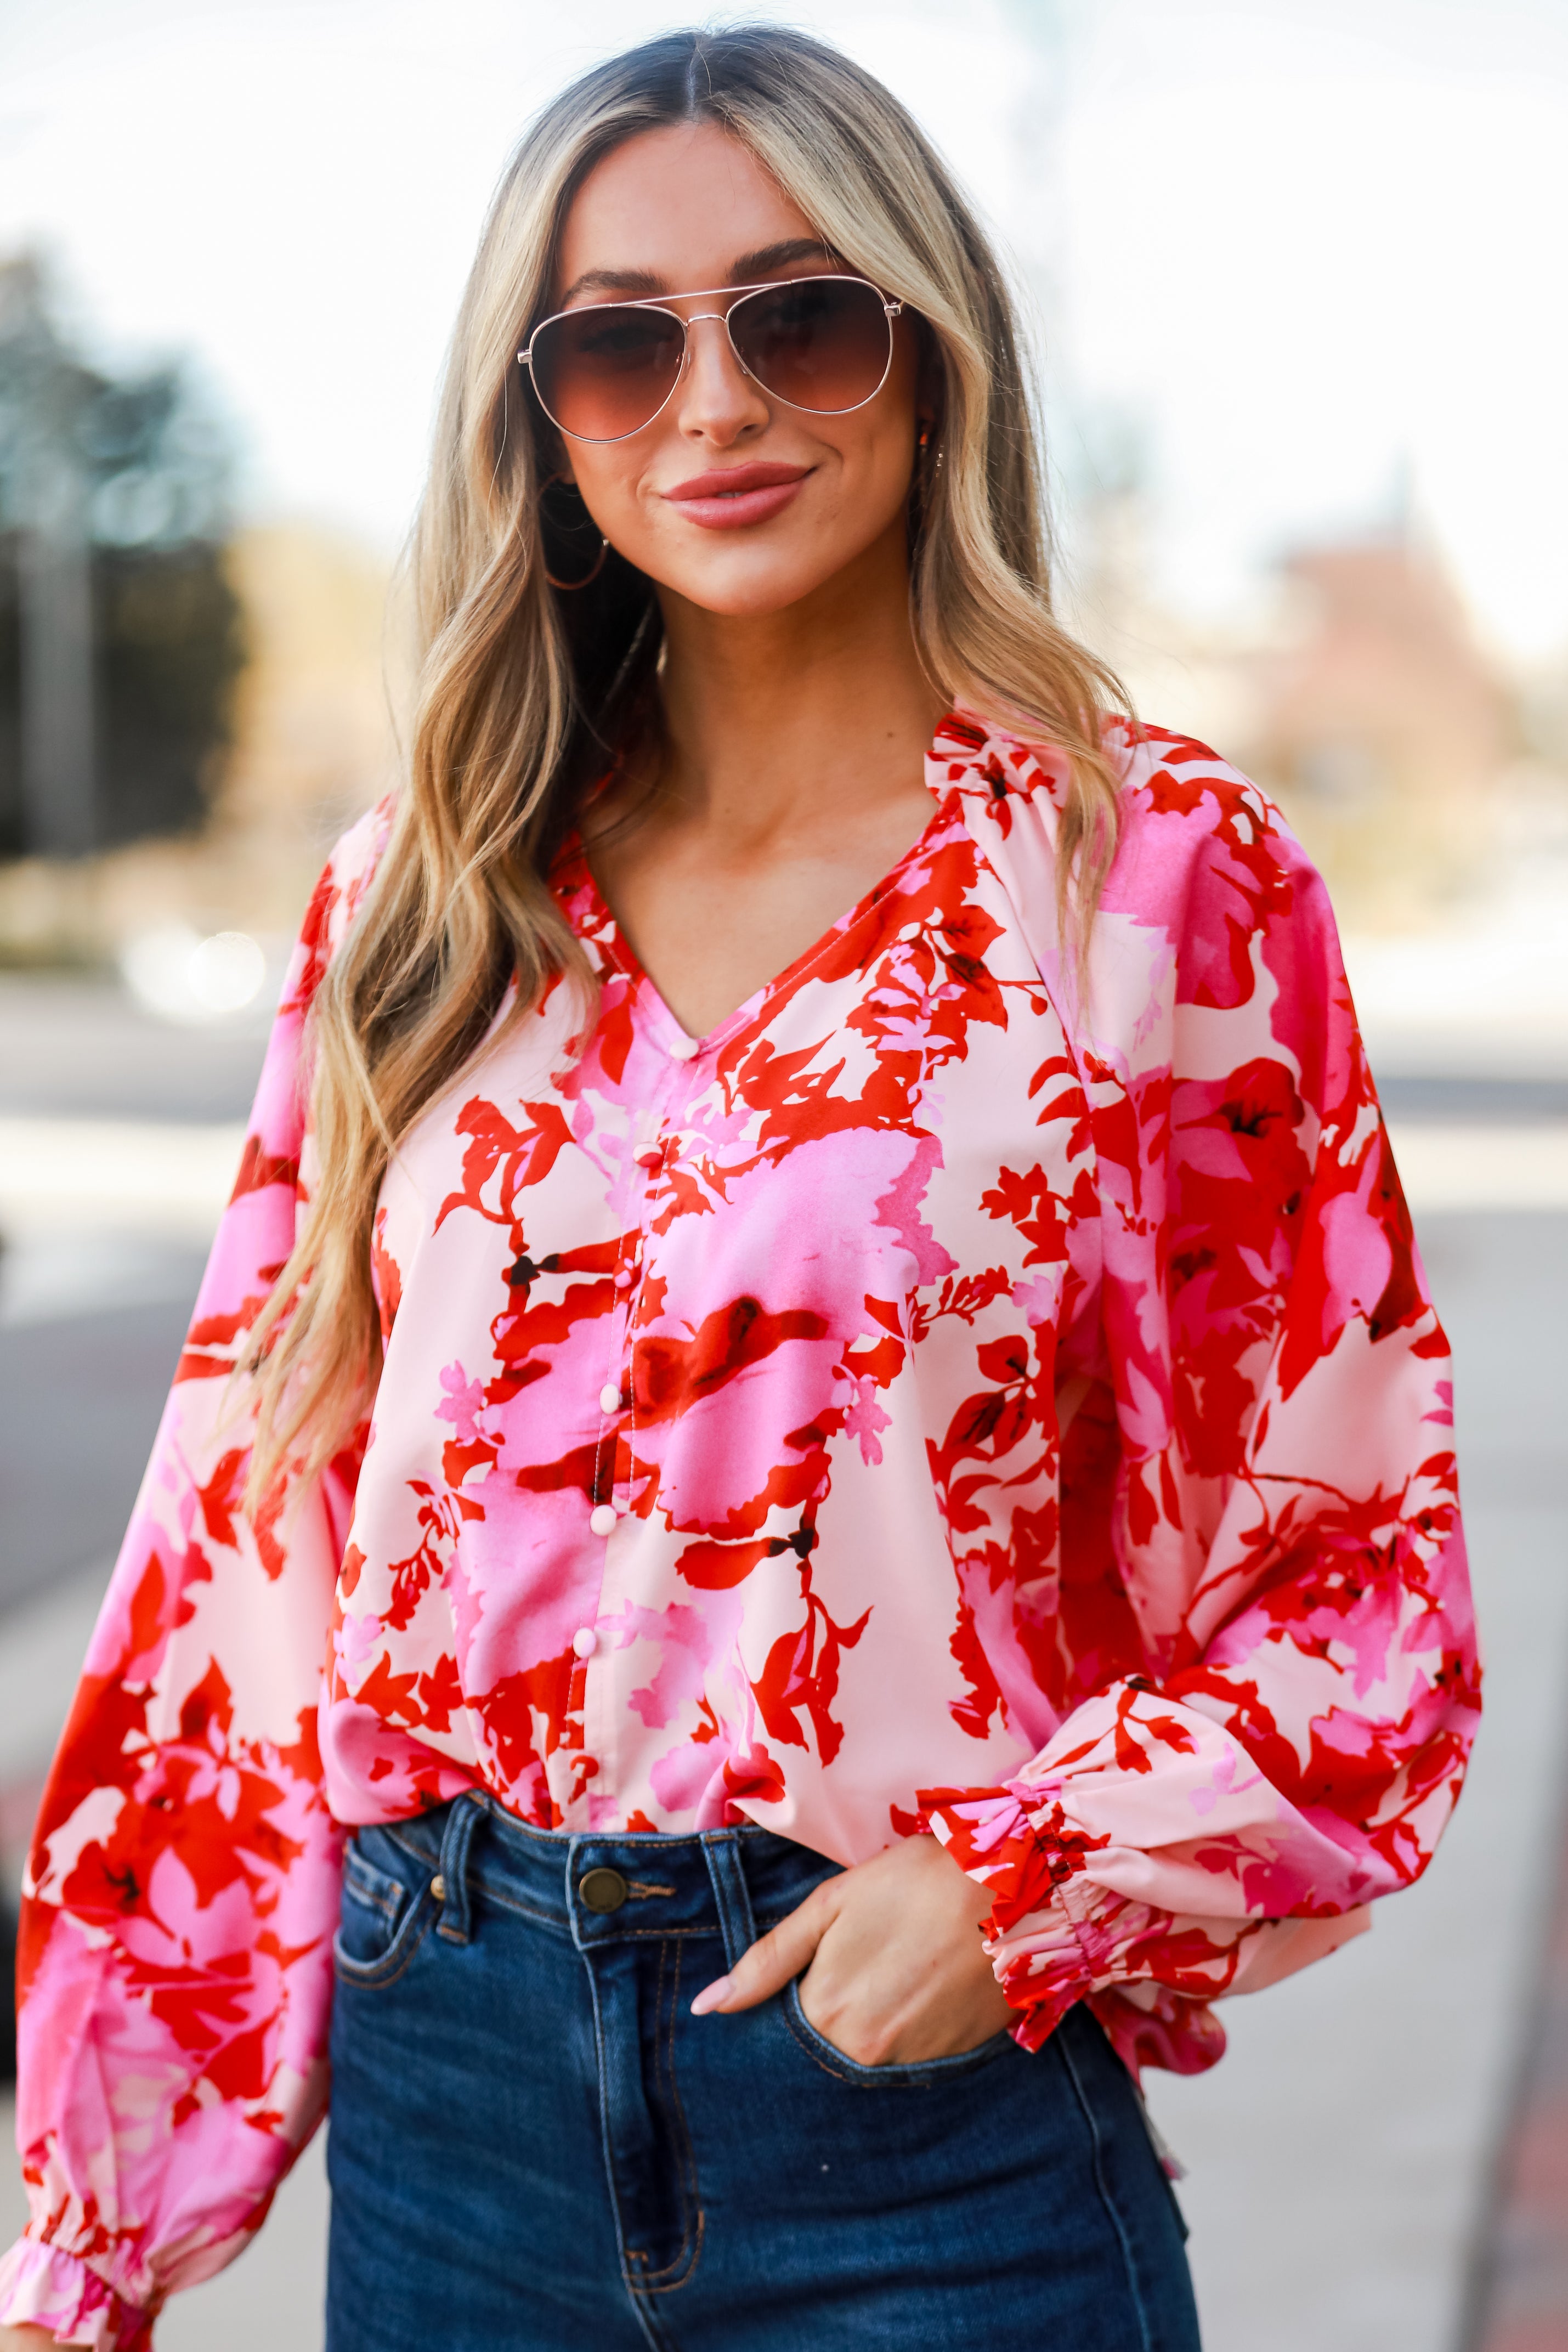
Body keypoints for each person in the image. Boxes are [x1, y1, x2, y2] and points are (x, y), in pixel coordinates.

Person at [0, 25, 1478, 2351]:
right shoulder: (422, 903)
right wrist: (86, 2231)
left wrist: (1024, 1891)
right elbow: (235, 1561)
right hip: (445, 2103)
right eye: (616, 343)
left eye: (799, 314)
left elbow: (1351, 1566)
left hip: (913, 2127)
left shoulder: (1154, 886)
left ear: (925, 346)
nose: (714, 403)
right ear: (537, 415)